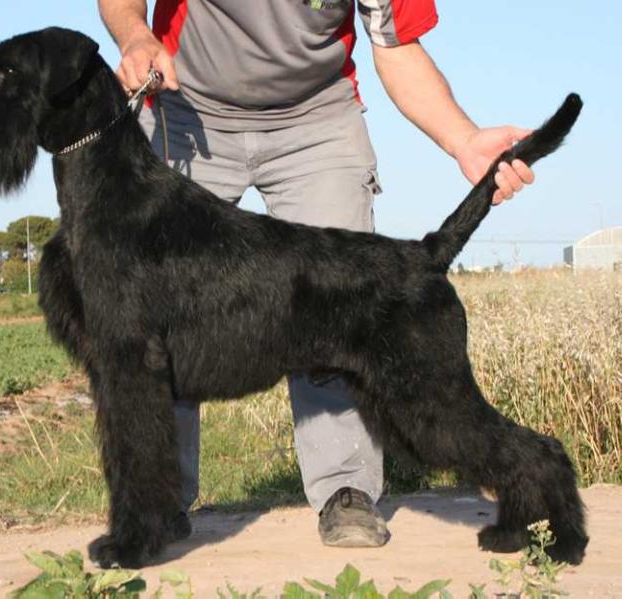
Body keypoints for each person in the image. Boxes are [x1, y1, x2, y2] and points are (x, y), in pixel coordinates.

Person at [99, 0, 535, 548]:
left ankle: (346, 491)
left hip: (316, 119)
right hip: (186, 108)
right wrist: (135, 34)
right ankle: (157, 503)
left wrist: (464, 139)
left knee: (346, 307)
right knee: (161, 324)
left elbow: (395, 45)